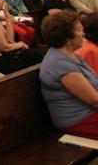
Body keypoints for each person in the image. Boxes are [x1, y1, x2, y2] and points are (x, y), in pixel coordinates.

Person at [40, 10, 98, 139]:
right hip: (79, 119)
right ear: (67, 38)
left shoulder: (72, 55)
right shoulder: (60, 64)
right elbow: (95, 101)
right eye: (78, 30)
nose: (83, 33)